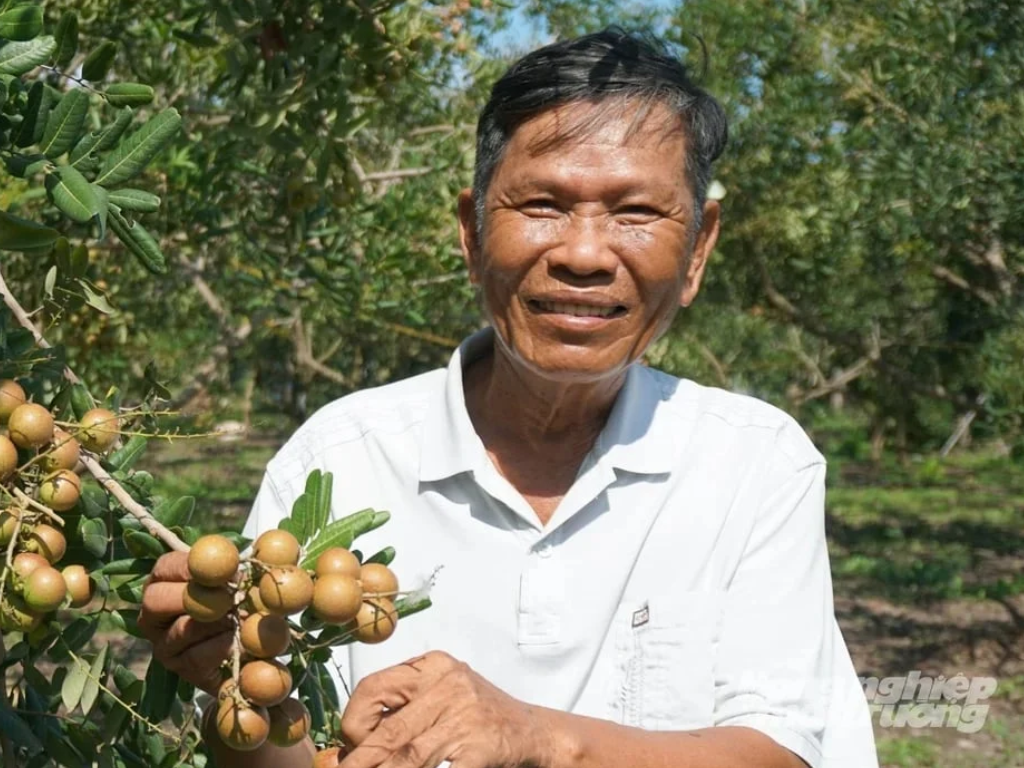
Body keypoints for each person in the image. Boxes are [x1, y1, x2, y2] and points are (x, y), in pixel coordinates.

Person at [138, 27, 878, 767]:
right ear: (471, 233)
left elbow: (782, 751)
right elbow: (280, 749)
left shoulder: (754, 464)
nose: (584, 255)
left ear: (698, 251)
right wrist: (234, 681)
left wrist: (537, 738)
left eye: (636, 213)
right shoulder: (339, 461)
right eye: (543, 205)